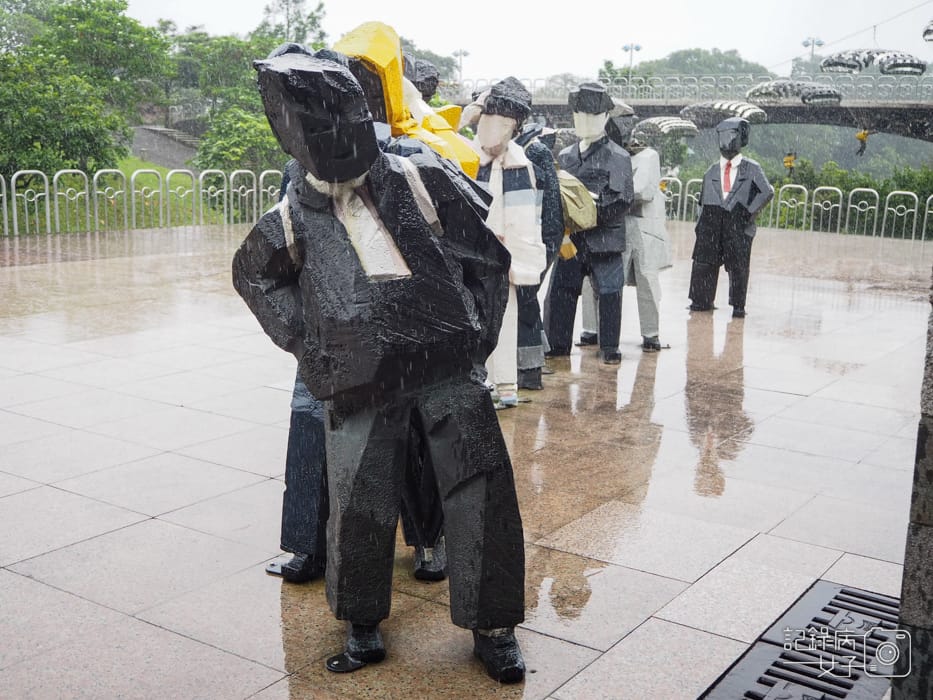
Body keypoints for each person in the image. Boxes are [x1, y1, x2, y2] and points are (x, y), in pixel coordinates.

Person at [233, 51, 526, 683]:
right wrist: (310, 347)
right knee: (359, 500)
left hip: (448, 364)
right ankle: (360, 622)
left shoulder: (423, 177)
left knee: (479, 487)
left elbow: (489, 259)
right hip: (361, 382)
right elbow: (252, 276)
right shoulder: (291, 215)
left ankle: (493, 624)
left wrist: (480, 335)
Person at [465, 78, 549, 405]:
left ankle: (505, 385)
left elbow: (524, 218)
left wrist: (516, 256)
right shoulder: (470, 155)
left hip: (502, 256)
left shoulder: (519, 162)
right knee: (479, 320)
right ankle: (483, 380)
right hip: (477, 254)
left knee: (503, 318)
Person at [543, 82, 633, 364]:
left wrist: (584, 212)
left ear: (606, 118)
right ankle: (557, 344)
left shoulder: (618, 156)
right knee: (560, 293)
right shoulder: (567, 155)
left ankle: (609, 347)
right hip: (570, 239)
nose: (585, 122)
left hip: (604, 240)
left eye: (592, 116)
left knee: (609, 293)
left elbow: (620, 199)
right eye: (579, 115)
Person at [578, 103, 670, 352]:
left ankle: (651, 333)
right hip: (609, 224)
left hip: (640, 227)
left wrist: (608, 192)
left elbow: (640, 191)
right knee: (595, 277)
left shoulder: (647, 155)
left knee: (647, 280)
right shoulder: (604, 154)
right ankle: (592, 329)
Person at [688, 117, 773, 318]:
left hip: (738, 222)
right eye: (723, 136)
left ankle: (738, 304)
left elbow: (767, 192)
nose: (726, 141)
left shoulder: (751, 168)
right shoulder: (711, 171)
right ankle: (701, 299)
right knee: (704, 262)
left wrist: (748, 213)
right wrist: (701, 226)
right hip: (711, 223)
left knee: (738, 267)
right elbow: (703, 199)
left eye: (731, 135)